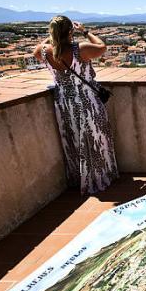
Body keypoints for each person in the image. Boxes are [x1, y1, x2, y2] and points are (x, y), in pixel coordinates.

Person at [34, 15, 118, 195]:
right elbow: (102, 47)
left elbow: (36, 51)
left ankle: (79, 179)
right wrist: (85, 31)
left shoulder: (44, 51)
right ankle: (99, 177)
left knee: (74, 141)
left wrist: (52, 37)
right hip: (87, 102)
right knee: (95, 139)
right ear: (70, 31)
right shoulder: (80, 49)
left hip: (64, 103)